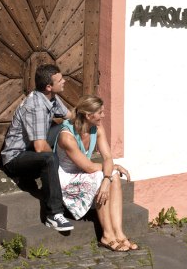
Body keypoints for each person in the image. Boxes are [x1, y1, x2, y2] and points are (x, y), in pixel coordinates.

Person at [55, 95, 139, 252]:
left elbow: (108, 157)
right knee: (104, 174)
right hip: (67, 177)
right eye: (100, 112)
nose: (103, 115)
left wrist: (108, 178)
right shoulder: (67, 136)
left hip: (87, 171)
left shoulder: (97, 129)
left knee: (112, 174)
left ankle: (119, 233)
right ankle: (107, 235)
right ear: (88, 115)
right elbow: (88, 167)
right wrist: (107, 173)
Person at [1, 63, 74, 232]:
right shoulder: (36, 106)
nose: (64, 81)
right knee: (49, 158)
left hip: (30, 149)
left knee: (65, 128)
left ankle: (68, 169)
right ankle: (54, 214)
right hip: (15, 158)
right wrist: (56, 164)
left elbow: (70, 117)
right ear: (49, 86)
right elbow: (41, 148)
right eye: (60, 80)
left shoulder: (50, 97)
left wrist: (89, 116)